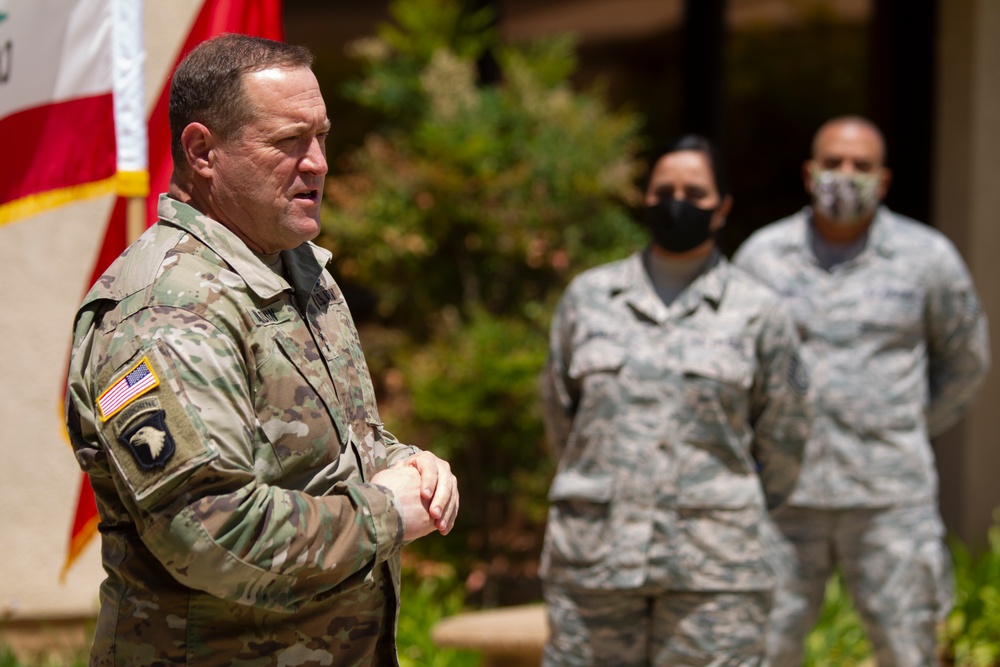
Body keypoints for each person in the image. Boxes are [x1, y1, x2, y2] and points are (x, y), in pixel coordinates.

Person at [64, 34, 459, 666]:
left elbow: (337, 445)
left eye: (322, 136)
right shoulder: (167, 313)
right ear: (202, 151)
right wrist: (388, 511)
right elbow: (212, 533)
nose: (318, 162)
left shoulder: (299, 270)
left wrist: (410, 464)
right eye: (287, 141)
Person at [538, 134, 811, 666]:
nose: (677, 201)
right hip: (596, 563)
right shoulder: (589, 298)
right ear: (646, 198)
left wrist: (723, 503)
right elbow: (561, 420)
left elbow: (786, 438)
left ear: (723, 207)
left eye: (695, 191)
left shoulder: (759, 311)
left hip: (715, 573)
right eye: (665, 189)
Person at [734, 115, 991, 666]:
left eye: (861, 165)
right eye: (832, 162)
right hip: (786, 498)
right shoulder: (761, 257)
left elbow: (966, 360)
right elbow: (734, 363)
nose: (845, 175)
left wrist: (903, 425)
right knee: (761, 648)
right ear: (808, 172)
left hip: (889, 500)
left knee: (908, 649)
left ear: (884, 178)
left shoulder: (929, 258)